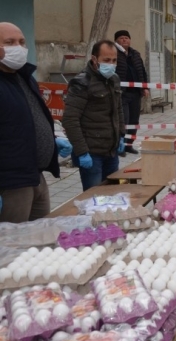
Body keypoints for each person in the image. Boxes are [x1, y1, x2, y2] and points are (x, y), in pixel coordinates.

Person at [0, 22, 72, 223]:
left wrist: (52, 138)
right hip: (11, 184)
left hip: (36, 176)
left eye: (22, 42)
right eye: (9, 42)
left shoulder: (24, 78)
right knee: (12, 247)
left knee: (39, 241)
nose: (19, 47)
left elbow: (32, 116)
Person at [63, 40, 126, 191]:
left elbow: (118, 109)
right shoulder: (82, 83)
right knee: (94, 199)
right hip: (91, 154)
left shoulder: (114, 79)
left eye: (114, 60)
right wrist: (82, 152)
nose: (111, 64)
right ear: (94, 59)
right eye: (106, 60)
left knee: (112, 195)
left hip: (111, 151)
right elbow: (70, 119)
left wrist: (121, 135)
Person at [114, 30, 149, 155]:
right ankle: (121, 146)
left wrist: (145, 87)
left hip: (135, 93)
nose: (124, 40)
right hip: (122, 93)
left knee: (134, 120)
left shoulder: (135, 54)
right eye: (121, 38)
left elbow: (142, 72)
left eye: (126, 38)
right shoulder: (114, 54)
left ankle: (129, 145)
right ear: (116, 40)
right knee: (124, 120)